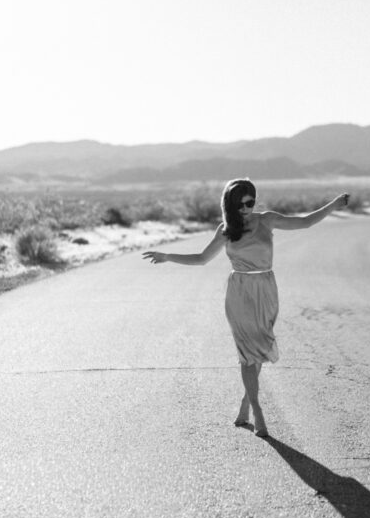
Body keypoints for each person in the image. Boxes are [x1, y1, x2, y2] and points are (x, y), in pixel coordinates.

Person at [143, 179, 350, 438]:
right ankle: (259, 412)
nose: (245, 208)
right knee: (247, 352)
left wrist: (334, 204)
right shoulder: (226, 229)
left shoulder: (267, 220)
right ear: (229, 204)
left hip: (266, 289)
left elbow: (305, 221)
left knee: (260, 349)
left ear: (255, 200)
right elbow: (201, 259)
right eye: (239, 204)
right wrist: (168, 256)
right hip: (239, 292)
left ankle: (245, 402)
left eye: (250, 202)